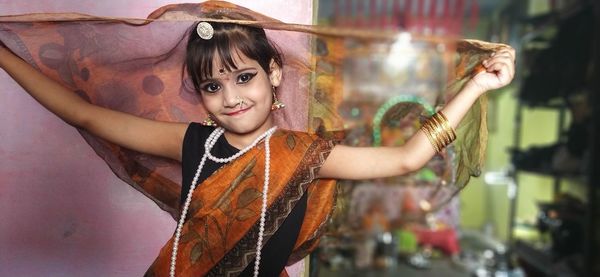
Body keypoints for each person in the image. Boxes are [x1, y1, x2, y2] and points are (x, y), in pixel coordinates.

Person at [0, 6, 515, 277]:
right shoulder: (193, 143)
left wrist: (477, 85)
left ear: (272, 75)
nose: (230, 97)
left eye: (243, 77)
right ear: (200, 96)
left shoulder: (306, 155)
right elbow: (82, 112)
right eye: (211, 86)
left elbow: (408, 156)